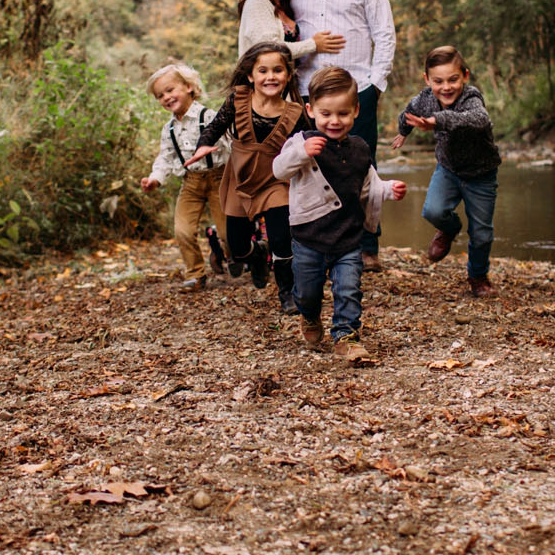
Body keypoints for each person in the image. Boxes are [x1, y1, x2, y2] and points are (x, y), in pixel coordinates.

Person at [274, 66, 407, 364]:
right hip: (309, 237)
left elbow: (367, 184)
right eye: (326, 114)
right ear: (311, 110)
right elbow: (279, 169)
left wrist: (388, 189)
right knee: (308, 293)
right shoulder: (301, 141)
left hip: (348, 237)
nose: (334, 121)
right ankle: (309, 316)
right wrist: (302, 153)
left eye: (343, 114)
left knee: (348, 288)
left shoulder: (359, 148)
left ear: (356, 111)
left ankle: (346, 336)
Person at [290, 0, 395, 271]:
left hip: (357, 90)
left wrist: (375, 85)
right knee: (310, 165)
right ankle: (315, 246)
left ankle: (367, 246)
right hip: (308, 92)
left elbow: (384, 34)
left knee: (362, 166)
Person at [186, 42, 307, 315]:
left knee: (281, 240)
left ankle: (287, 292)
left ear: (288, 75)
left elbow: (307, 146)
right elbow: (216, 126)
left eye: (278, 70)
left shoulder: (295, 113)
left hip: (277, 179)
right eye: (262, 71)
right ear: (251, 76)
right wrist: (203, 144)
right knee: (236, 246)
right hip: (240, 179)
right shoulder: (238, 99)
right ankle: (254, 254)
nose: (270, 76)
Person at [390, 45, 501, 297]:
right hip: (448, 169)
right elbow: (408, 112)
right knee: (433, 210)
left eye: (453, 79)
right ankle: (449, 229)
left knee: (481, 233)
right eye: (438, 81)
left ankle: (478, 276)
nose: (446, 87)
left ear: (465, 75)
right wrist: (404, 132)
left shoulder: (471, 97)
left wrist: (438, 120)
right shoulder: (425, 98)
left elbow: (479, 119)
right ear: (427, 79)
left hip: (481, 173)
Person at [140, 63, 230, 291]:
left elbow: (230, 145)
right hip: (191, 183)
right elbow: (165, 158)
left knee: (228, 232)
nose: (166, 98)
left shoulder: (208, 116)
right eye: (160, 95)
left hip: (219, 178)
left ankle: (227, 251)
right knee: (182, 230)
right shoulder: (169, 129)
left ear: (189, 87)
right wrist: (155, 178)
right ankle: (196, 274)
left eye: (170, 90)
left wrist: (217, 148)